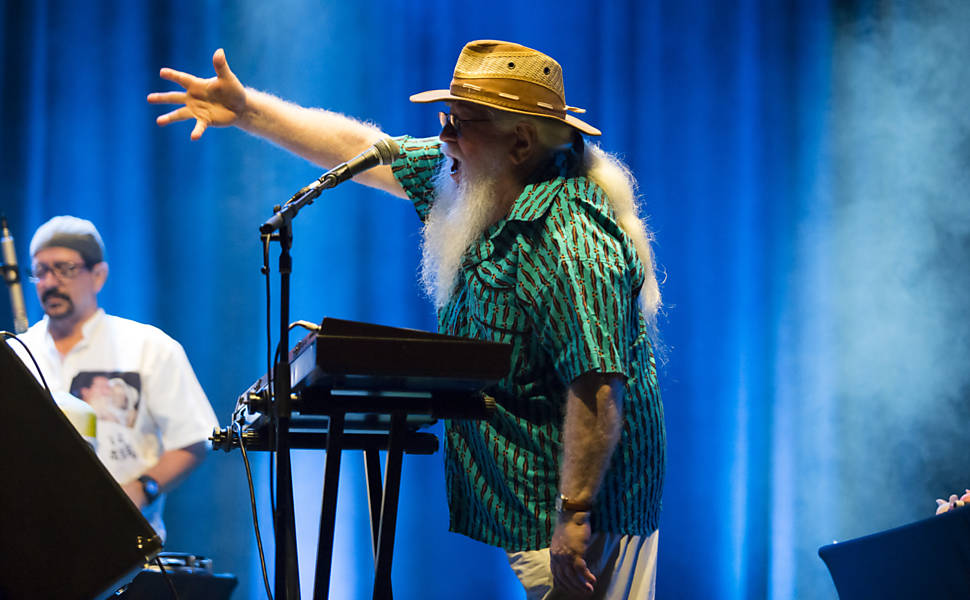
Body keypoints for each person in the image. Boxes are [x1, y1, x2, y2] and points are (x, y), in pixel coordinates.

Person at [150, 39, 666, 598]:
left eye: (461, 123)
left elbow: (597, 388)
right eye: (446, 119)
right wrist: (249, 110)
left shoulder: (570, 242)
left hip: (591, 507)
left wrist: (575, 513)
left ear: (519, 141)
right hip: (533, 495)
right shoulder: (472, 178)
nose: (444, 136)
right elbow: (365, 149)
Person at [11, 215, 219, 543]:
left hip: (122, 542)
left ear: (98, 275)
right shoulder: (17, 354)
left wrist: (141, 489)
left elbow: (193, 440)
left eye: (65, 268)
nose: (51, 282)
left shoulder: (149, 347)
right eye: (41, 271)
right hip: (31, 542)